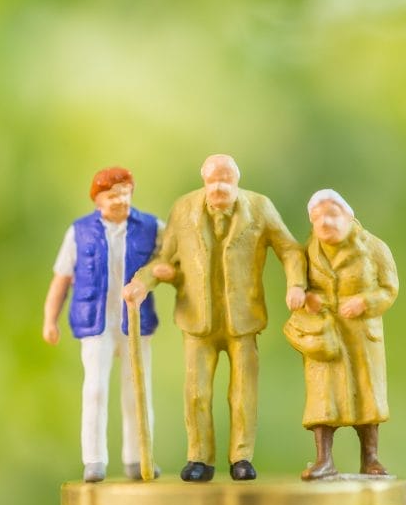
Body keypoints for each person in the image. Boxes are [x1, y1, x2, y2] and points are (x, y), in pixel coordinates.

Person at [123, 154, 305, 482]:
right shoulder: (183, 209)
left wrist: (295, 285)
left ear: (236, 181)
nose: (219, 187)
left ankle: (242, 457)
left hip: (243, 319)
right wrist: (143, 282)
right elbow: (164, 258)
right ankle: (199, 458)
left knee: (244, 393)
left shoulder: (260, 208)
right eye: (213, 181)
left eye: (225, 180)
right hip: (198, 319)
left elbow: (289, 249)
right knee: (196, 392)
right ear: (204, 181)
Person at [43, 167, 162, 483]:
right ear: (98, 200)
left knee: (137, 391)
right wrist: (50, 319)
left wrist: (162, 273)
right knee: (95, 389)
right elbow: (61, 279)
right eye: (112, 195)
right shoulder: (79, 232)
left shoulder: (151, 228)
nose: (120, 200)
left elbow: (172, 258)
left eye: (125, 193)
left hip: (135, 322)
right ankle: (94, 460)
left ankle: (138, 458)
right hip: (96, 322)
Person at [292, 189, 399, 480]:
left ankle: (371, 458)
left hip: (362, 335)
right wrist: (307, 298)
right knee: (322, 397)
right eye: (318, 218)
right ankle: (323, 459)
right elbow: (299, 285)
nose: (325, 222)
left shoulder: (374, 248)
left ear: (348, 216)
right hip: (326, 334)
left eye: (332, 214)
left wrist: (364, 302)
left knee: (367, 396)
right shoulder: (308, 252)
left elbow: (389, 289)